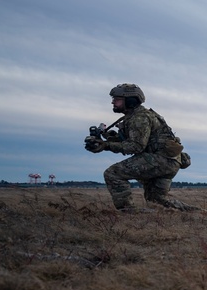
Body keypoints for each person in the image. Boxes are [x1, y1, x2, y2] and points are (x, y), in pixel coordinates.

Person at [84, 83, 199, 212]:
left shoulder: (140, 118)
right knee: (156, 200)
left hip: (160, 160)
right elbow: (135, 141)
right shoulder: (135, 117)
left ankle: (129, 211)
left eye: (117, 99)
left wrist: (106, 146)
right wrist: (109, 139)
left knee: (113, 174)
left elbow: (136, 146)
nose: (113, 102)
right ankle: (197, 213)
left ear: (130, 100)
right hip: (170, 161)